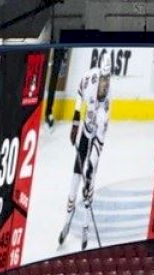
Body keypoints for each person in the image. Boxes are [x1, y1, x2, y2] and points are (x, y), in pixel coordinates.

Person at [59, 52, 112, 250]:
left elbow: (99, 145)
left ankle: (86, 225)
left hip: (96, 134)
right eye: (103, 80)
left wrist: (90, 172)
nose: (105, 86)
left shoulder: (105, 108)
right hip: (85, 130)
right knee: (75, 178)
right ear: (99, 76)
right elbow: (79, 95)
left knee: (89, 182)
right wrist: (74, 122)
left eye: (108, 80)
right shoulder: (89, 79)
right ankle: (67, 216)